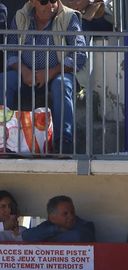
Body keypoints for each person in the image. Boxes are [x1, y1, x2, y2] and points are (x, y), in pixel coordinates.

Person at [0, 0, 87, 154]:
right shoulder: (20, 16)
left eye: (53, 1)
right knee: (4, 80)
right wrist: (24, 71)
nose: (50, 5)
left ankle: (64, 143)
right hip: (25, 75)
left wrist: (50, 72)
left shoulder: (69, 17)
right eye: (44, 1)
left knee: (62, 84)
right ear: (33, 2)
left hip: (58, 74)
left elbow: (79, 54)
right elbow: (10, 51)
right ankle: (1, 137)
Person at [22, 195, 95, 242]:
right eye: (65, 214)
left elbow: (77, 236)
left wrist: (45, 239)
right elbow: (26, 236)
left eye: (72, 212)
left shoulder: (86, 225)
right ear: (52, 218)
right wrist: (56, 230)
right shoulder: (48, 225)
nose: (71, 216)